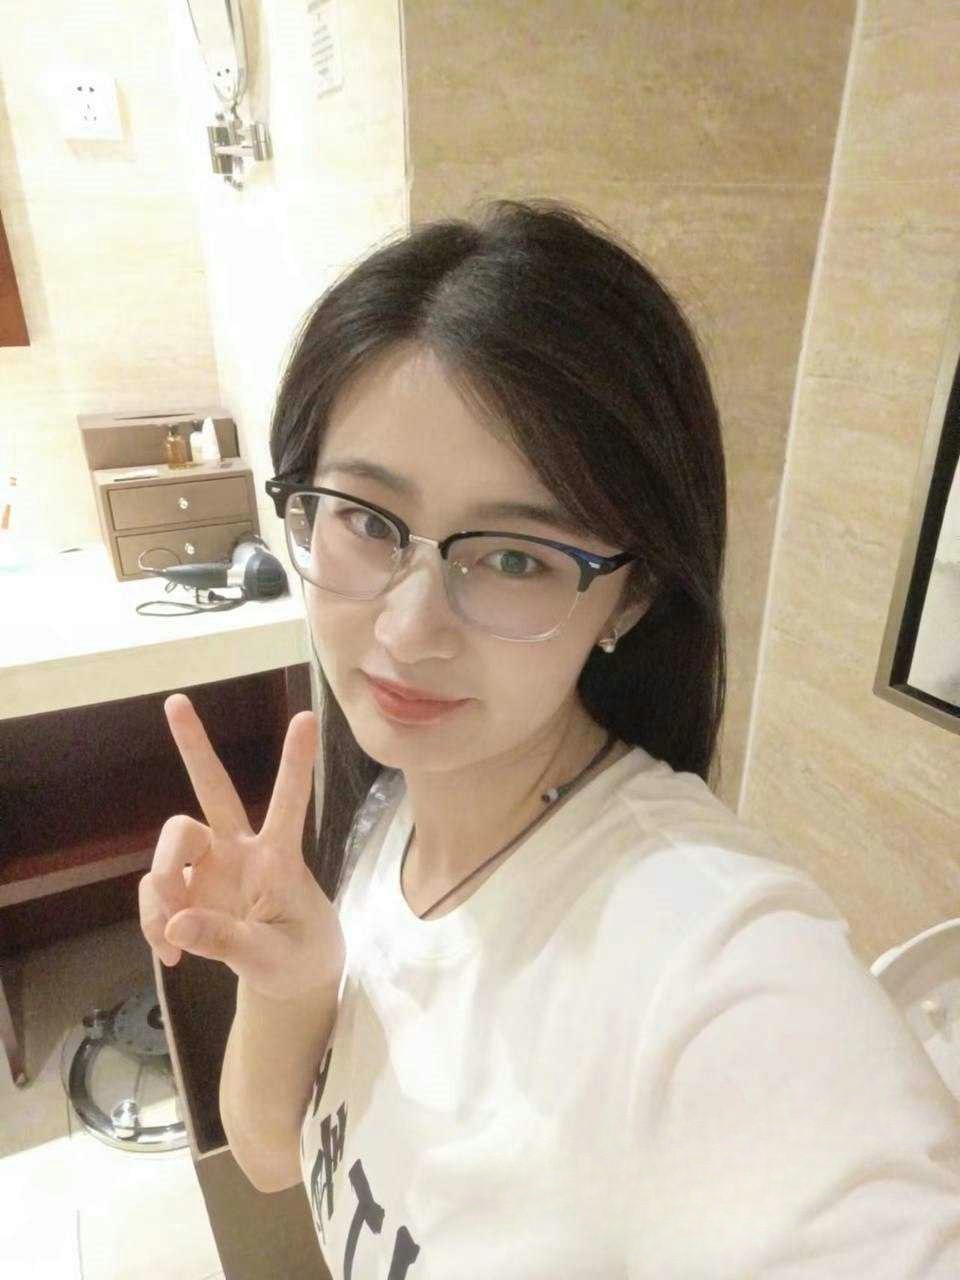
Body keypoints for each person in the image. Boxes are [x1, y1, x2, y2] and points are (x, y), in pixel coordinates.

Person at [140, 199, 960, 1278]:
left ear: (633, 596)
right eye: (368, 521)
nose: (407, 629)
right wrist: (294, 980)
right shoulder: (394, 810)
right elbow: (270, 1159)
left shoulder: (717, 970)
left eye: (517, 557)